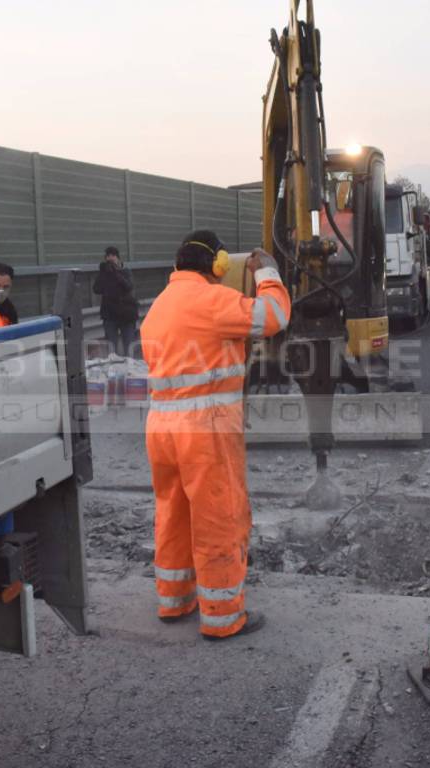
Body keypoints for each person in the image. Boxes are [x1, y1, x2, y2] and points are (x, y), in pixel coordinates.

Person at [139, 230, 290, 640]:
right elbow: (275, 317)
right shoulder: (213, 301)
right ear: (217, 265)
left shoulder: (158, 307)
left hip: (161, 429)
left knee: (173, 513)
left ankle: (174, 599)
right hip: (204, 432)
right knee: (217, 518)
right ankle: (223, 616)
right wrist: (268, 272)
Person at [92, 246, 138, 357]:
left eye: (113, 255)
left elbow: (128, 286)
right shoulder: (105, 273)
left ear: (118, 258)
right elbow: (96, 289)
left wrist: (115, 273)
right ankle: (113, 369)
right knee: (111, 350)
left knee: (129, 348)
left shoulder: (126, 271)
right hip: (110, 315)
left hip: (126, 315)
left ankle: (130, 370)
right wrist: (103, 273)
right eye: (108, 256)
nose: (110, 258)